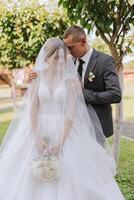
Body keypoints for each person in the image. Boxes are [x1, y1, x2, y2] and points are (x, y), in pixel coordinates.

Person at [0, 38, 125, 200]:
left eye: (62, 57)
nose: (61, 61)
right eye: (56, 57)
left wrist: (61, 141)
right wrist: (37, 137)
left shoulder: (70, 80)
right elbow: (33, 108)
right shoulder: (36, 78)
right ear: (46, 58)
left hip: (66, 129)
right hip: (38, 127)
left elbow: (71, 113)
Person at [27, 25, 122, 138]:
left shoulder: (104, 61)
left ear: (83, 41)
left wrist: (83, 93)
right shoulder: (67, 62)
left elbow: (115, 94)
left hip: (97, 125)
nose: (68, 51)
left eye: (71, 47)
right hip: (72, 127)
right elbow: (51, 75)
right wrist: (34, 77)